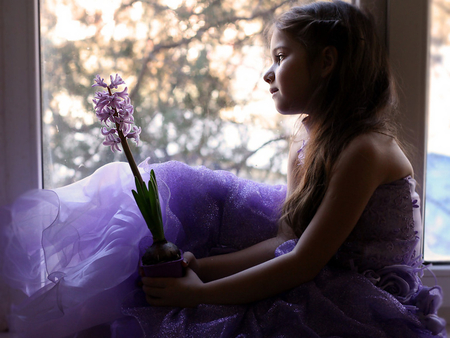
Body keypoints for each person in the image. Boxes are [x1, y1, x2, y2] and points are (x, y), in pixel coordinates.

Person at [0, 1, 446, 337]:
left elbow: (304, 263)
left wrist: (200, 293)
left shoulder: (366, 151)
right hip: (323, 277)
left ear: (327, 62)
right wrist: (206, 267)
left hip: (365, 301)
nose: (267, 74)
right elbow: (284, 242)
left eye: (280, 57)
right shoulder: (307, 142)